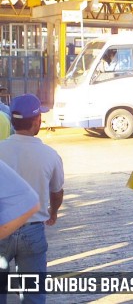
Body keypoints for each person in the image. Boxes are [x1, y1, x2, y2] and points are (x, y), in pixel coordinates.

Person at [0, 94, 64, 303]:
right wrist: (53, 212)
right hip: (33, 230)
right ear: (37, 121)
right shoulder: (50, 155)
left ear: (12, 121)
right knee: (34, 295)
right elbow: (57, 191)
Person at [0, 161, 40, 239]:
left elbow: (30, 202)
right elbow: (57, 192)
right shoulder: (49, 154)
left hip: (28, 225)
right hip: (33, 226)